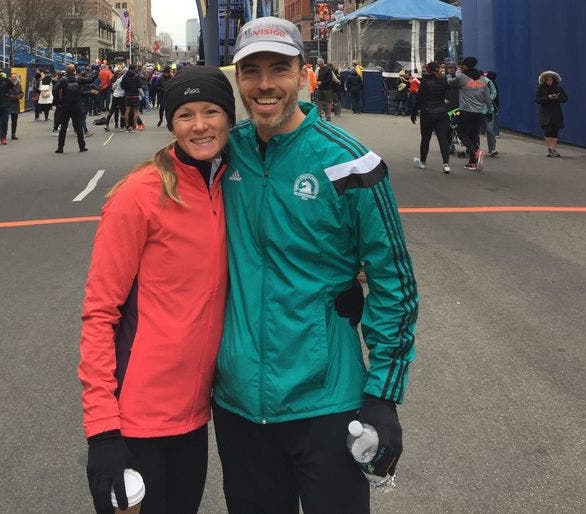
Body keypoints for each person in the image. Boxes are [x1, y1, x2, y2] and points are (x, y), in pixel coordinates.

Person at [214, 16, 419, 514]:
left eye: (279, 68)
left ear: (304, 74)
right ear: (237, 80)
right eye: (251, 71)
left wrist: (383, 394)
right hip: (238, 403)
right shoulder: (224, 154)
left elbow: (395, 281)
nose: (265, 84)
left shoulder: (351, 163)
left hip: (327, 400)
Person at [79, 65, 236, 514]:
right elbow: (99, 313)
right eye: (186, 114)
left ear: (229, 117)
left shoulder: (228, 185)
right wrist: (102, 430)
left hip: (193, 414)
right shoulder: (139, 195)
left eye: (211, 111)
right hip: (135, 420)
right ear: (171, 123)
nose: (200, 125)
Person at [447, 56, 490, 171]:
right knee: (473, 136)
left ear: (466, 66)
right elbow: (487, 98)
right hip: (479, 112)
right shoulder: (482, 79)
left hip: (466, 111)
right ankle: (472, 163)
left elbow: (451, 83)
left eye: (462, 65)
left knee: (462, 134)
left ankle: (477, 152)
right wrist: (489, 111)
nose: (461, 67)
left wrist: (447, 75)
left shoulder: (462, 77)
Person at [411, 62, 452, 173]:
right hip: (442, 112)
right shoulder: (444, 81)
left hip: (428, 112)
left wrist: (413, 112)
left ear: (428, 70)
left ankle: (423, 162)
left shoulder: (425, 82)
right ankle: (446, 164)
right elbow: (448, 95)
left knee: (425, 138)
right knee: (443, 139)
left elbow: (419, 99)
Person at [53, 64, 92, 153]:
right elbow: (90, 80)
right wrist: (95, 72)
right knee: (78, 127)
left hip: (65, 105)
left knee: (63, 127)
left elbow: (55, 89)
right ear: (74, 71)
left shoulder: (63, 80)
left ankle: (60, 147)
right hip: (77, 105)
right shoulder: (79, 78)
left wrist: (58, 101)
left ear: (66, 71)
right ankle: (82, 146)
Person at [535, 70, 567, 157]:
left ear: (554, 80)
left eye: (551, 80)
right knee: (548, 130)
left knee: (555, 130)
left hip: (556, 112)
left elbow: (565, 99)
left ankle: (554, 149)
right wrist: (547, 97)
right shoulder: (540, 88)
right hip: (545, 112)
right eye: (548, 80)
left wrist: (557, 97)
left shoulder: (558, 88)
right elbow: (537, 100)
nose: (549, 81)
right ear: (545, 80)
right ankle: (549, 149)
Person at [8, 72, 24, 140]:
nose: (14, 78)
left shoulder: (19, 85)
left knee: (14, 121)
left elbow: (22, 93)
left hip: (16, 105)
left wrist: (19, 96)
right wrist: (13, 97)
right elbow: (6, 94)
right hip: (8, 104)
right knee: (4, 120)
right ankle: (2, 133)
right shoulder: (7, 85)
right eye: (13, 77)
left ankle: (13, 134)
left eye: (15, 77)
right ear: (11, 78)